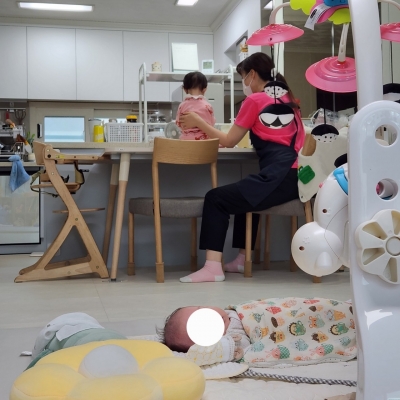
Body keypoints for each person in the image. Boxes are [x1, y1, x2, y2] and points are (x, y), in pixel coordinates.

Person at [178, 52, 305, 283]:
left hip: (280, 175)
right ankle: (241, 259)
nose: (244, 83)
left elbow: (228, 141)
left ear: (252, 74)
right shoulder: (288, 99)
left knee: (216, 198)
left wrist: (198, 122)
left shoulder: (255, 100)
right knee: (246, 194)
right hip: (297, 176)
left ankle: (212, 268)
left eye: (243, 77)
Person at [156, 297, 356, 368]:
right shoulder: (233, 337)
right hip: (299, 327)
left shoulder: (233, 312)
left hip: (293, 310)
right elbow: (237, 350)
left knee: (314, 308)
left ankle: (348, 308)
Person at [175, 71, 216, 140]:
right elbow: (212, 123)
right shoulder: (207, 106)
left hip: (186, 141)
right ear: (205, 89)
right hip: (204, 142)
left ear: (185, 90)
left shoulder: (182, 105)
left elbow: (178, 123)